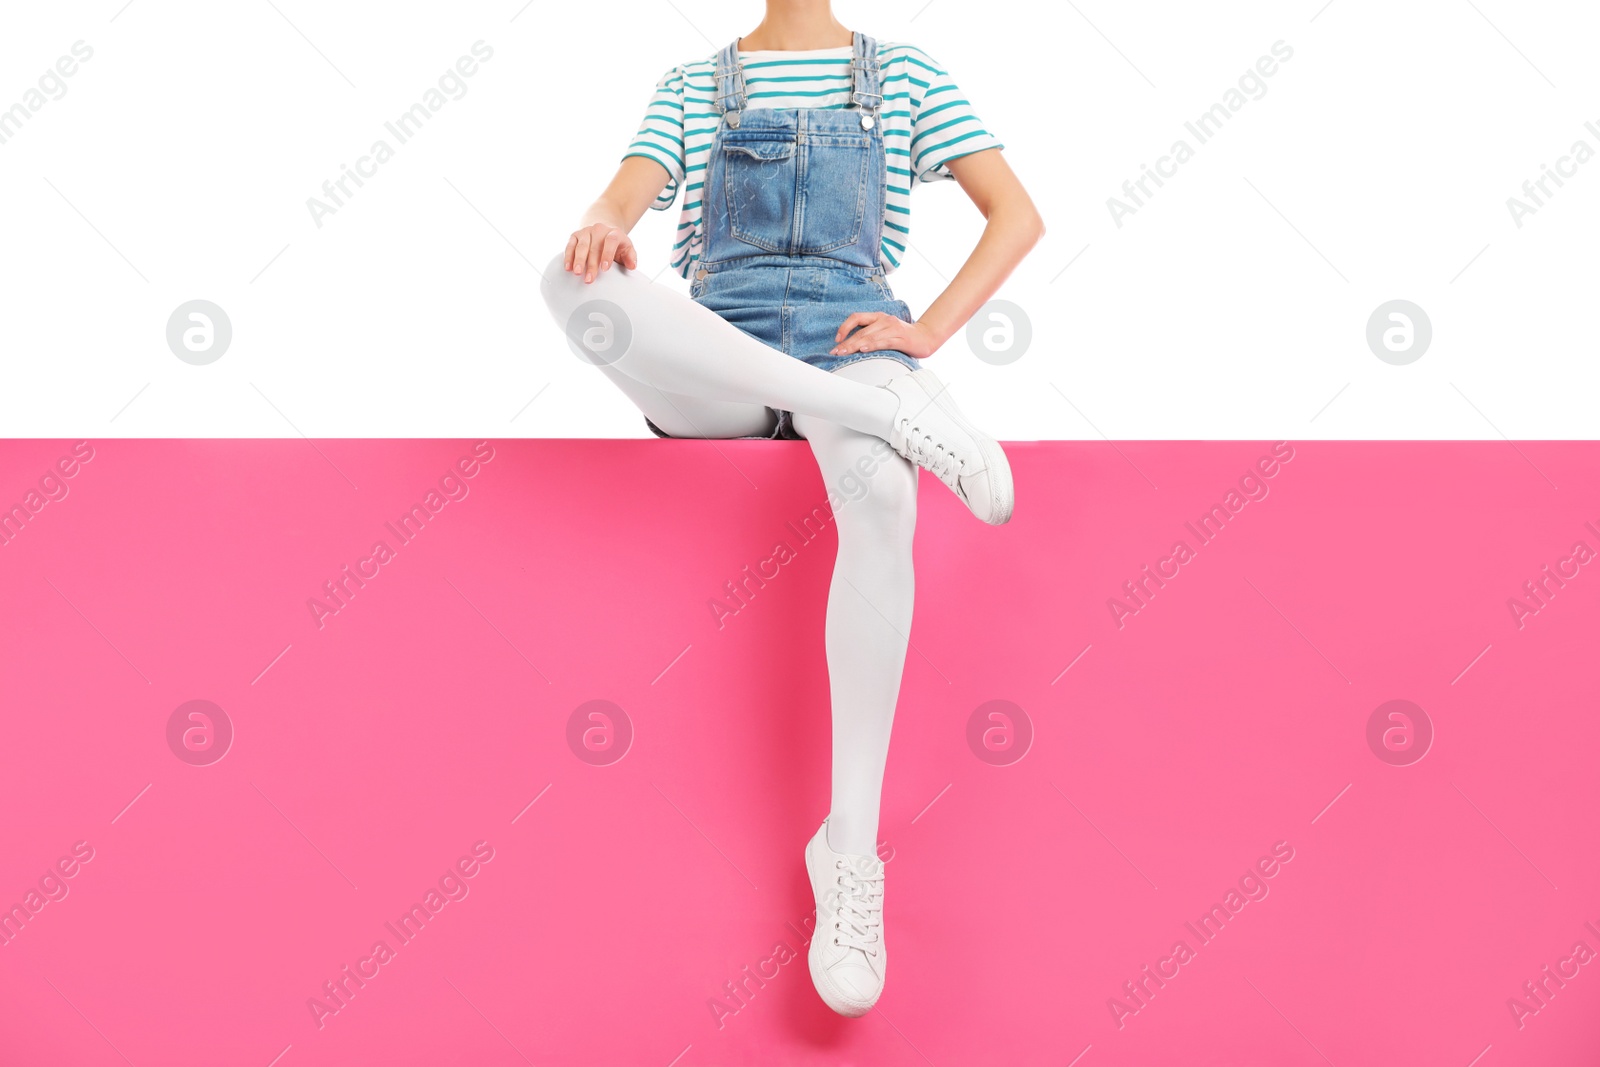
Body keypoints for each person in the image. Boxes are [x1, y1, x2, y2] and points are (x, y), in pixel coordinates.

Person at [539, 1, 1044, 1016]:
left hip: (853, 334)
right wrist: (603, 227)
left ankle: (846, 852)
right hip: (718, 358)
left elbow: (1017, 215)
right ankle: (880, 414)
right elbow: (618, 203)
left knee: (882, 502)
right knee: (566, 282)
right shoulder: (695, 83)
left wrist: (925, 335)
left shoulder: (900, 74)